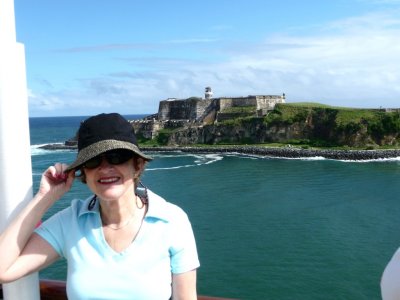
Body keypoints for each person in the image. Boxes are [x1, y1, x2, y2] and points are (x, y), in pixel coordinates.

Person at [0, 113, 200, 299]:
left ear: (137, 164)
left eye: (117, 157)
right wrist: (45, 197)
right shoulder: (71, 221)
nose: (105, 168)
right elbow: (3, 269)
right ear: (84, 173)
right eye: (93, 160)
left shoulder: (171, 221)